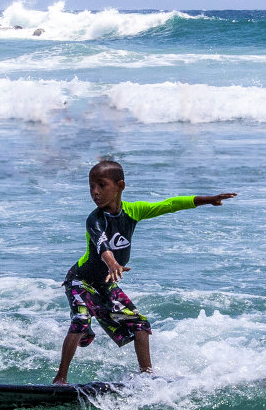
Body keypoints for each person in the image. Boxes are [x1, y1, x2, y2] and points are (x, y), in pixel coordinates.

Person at [53, 159, 236, 384]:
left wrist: (208, 199)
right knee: (80, 321)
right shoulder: (94, 219)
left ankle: (147, 376)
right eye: (91, 186)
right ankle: (60, 379)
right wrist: (112, 263)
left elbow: (169, 204)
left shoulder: (133, 211)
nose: (95, 192)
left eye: (101, 185)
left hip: (104, 284)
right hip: (80, 280)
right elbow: (102, 246)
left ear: (120, 185)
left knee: (140, 325)